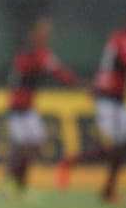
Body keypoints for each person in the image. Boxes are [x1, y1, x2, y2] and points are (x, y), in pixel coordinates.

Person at [55, 5, 126, 203]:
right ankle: (73, 162)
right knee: (118, 147)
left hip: (114, 97)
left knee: (122, 147)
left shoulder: (119, 36)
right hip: (109, 96)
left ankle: (107, 189)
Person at [5, 17, 79, 196]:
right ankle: (14, 183)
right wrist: (77, 84)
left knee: (31, 145)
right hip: (20, 106)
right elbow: (57, 70)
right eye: (44, 31)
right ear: (34, 33)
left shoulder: (30, 52)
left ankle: (14, 181)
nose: (48, 34)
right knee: (28, 147)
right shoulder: (36, 53)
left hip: (23, 105)